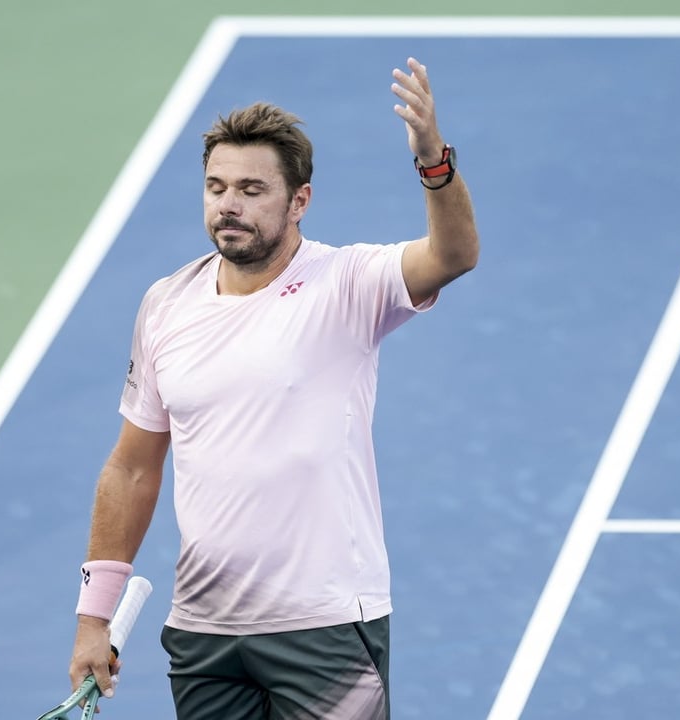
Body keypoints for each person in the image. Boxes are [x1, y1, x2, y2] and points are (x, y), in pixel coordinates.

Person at [68, 57, 479, 719]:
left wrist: (433, 158)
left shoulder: (350, 283)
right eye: (216, 186)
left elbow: (455, 254)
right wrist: (94, 619)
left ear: (299, 201)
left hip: (325, 628)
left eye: (252, 189)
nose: (229, 203)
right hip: (206, 633)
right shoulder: (165, 305)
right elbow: (133, 468)